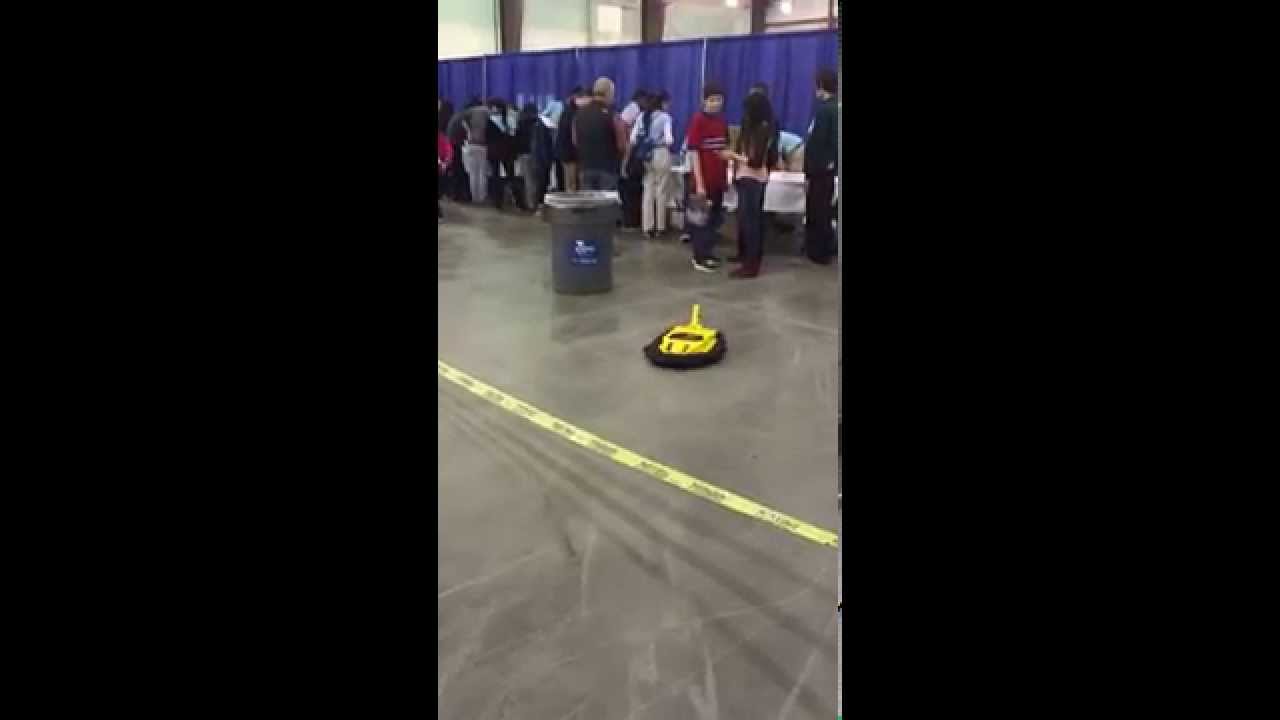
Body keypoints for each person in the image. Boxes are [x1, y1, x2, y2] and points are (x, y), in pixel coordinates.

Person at [727, 93, 778, 278]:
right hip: (746, 177)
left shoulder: (763, 129)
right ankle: (745, 256)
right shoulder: (751, 127)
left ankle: (751, 264)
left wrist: (733, 156)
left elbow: (756, 161)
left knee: (752, 223)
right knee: (745, 220)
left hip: (753, 179)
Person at [685, 81, 730, 272]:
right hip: (703, 180)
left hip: (718, 180)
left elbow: (723, 148)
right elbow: (694, 152)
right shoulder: (698, 120)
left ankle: (709, 252)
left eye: (719, 100)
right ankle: (699, 257)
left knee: (714, 219)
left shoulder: (721, 121)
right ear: (704, 101)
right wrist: (700, 183)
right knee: (700, 221)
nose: (716, 103)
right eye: (712, 100)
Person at [804, 68, 838, 264]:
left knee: (818, 211)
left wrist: (809, 170)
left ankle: (819, 252)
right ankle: (827, 246)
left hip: (819, 169)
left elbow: (818, 142)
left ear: (821, 86)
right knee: (824, 209)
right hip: (829, 168)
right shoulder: (835, 107)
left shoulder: (825, 111)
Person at [631, 91, 675, 239]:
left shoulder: (641, 116)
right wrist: (659, 140)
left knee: (648, 189)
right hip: (661, 153)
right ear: (663, 103)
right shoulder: (665, 118)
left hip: (645, 156)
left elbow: (633, 139)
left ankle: (647, 226)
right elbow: (669, 140)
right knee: (661, 189)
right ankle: (660, 226)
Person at [574, 77, 628, 191]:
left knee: (588, 201)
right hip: (607, 169)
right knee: (606, 201)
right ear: (608, 93)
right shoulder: (613, 115)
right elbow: (621, 144)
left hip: (585, 167)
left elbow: (575, 141)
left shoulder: (579, 114)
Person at [486, 98, 527, 211]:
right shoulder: (511, 120)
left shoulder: (491, 120)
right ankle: (520, 202)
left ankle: (498, 202)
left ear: (495, 108)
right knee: (511, 177)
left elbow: (487, 137)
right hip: (509, 152)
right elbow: (515, 137)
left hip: (495, 152)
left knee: (496, 177)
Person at [449, 96, 491, 204]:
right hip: (481, 145)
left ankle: (472, 196)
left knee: (472, 173)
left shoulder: (464, 114)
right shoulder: (486, 114)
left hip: (469, 145)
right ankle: (481, 197)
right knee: (482, 173)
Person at [618, 89, 648, 230]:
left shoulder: (633, 111)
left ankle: (630, 220)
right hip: (630, 154)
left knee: (630, 190)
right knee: (631, 190)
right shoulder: (633, 110)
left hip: (631, 153)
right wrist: (625, 155)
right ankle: (630, 220)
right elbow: (625, 132)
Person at [555, 87, 585, 192]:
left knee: (572, 183)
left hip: (567, 154)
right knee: (572, 184)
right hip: (569, 155)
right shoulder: (572, 112)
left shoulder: (567, 110)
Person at [514, 103, 540, 211]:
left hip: (524, 154)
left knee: (528, 180)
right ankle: (537, 202)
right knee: (537, 179)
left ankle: (530, 203)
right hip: (536, 155)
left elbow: (517, 140)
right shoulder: (538, 124)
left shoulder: (520, 124)